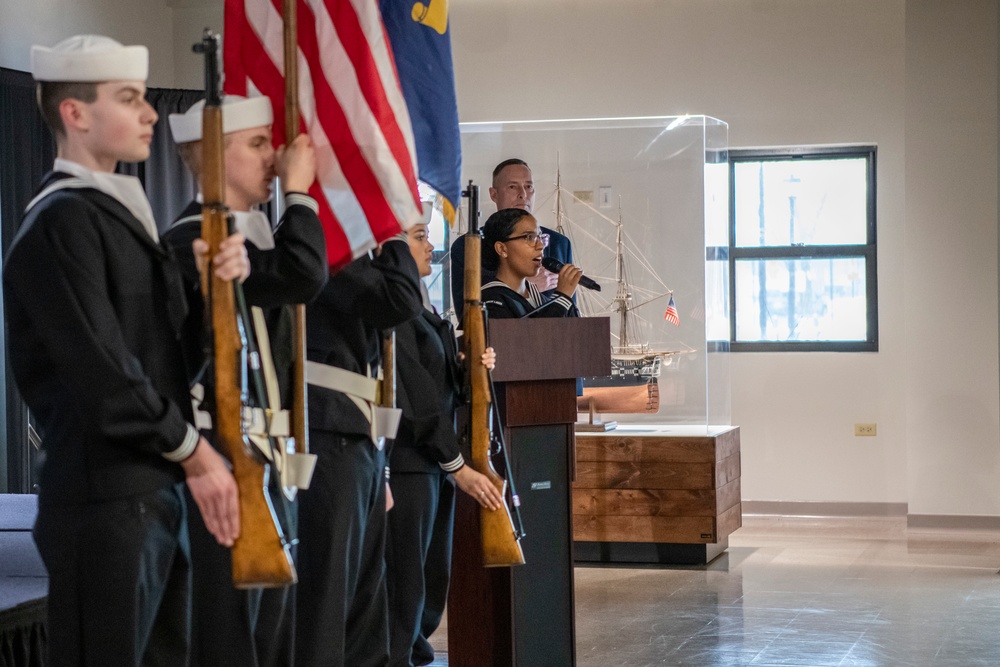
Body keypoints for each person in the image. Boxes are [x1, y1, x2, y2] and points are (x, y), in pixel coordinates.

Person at [3, 34, 246, 666]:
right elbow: (104, 372)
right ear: (75, 114)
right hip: (104, 497)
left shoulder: (113, 217)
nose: (150, 115)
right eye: (130, 98)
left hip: (146, 491)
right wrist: (195, 453)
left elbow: (166, 362)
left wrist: (208, 291)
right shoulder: (62, 221)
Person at [162, 95, 328, 667]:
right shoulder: (192, 245)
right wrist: (301, 195)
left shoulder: (252, 242)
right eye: (258, 145)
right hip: (221, 462)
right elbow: (304, 272)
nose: (273, 159)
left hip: (267, 459)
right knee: (230, 639)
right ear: (212, 154)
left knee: (272, 637)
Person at [296, 230, 423, 666]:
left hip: (360, 436)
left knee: (366, 604)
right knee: (329, 602)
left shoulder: (355, 251)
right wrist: (397, 237)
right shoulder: (326, 246)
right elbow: (401, 301)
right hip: (328, 433)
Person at [385, 217, 504, 667]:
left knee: (431, 577)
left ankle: (413, 651)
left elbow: (438, 384)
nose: (430, 244)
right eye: (419, 236)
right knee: (406, 583)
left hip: (433, 460)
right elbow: (413, 398)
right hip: (413, 460)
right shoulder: (394, 306)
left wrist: (469, 365)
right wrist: (457, 465)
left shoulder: (421, 303)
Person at [450, 158, 574, 319]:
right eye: (512, 187)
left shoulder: (559, 243)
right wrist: (522, 287)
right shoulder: (468, 246)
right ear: (494, 194)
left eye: (528, 187)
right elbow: (465, 312)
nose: (523, 194)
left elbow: (572, 314)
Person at [480, 207, 582, 319]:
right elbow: (531, 335)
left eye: (540, 237)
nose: (541, 246)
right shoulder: (489, 301)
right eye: (529, 237)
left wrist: (568, 302)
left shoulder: (540, 299)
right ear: (502, 249)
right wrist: (562, 297)